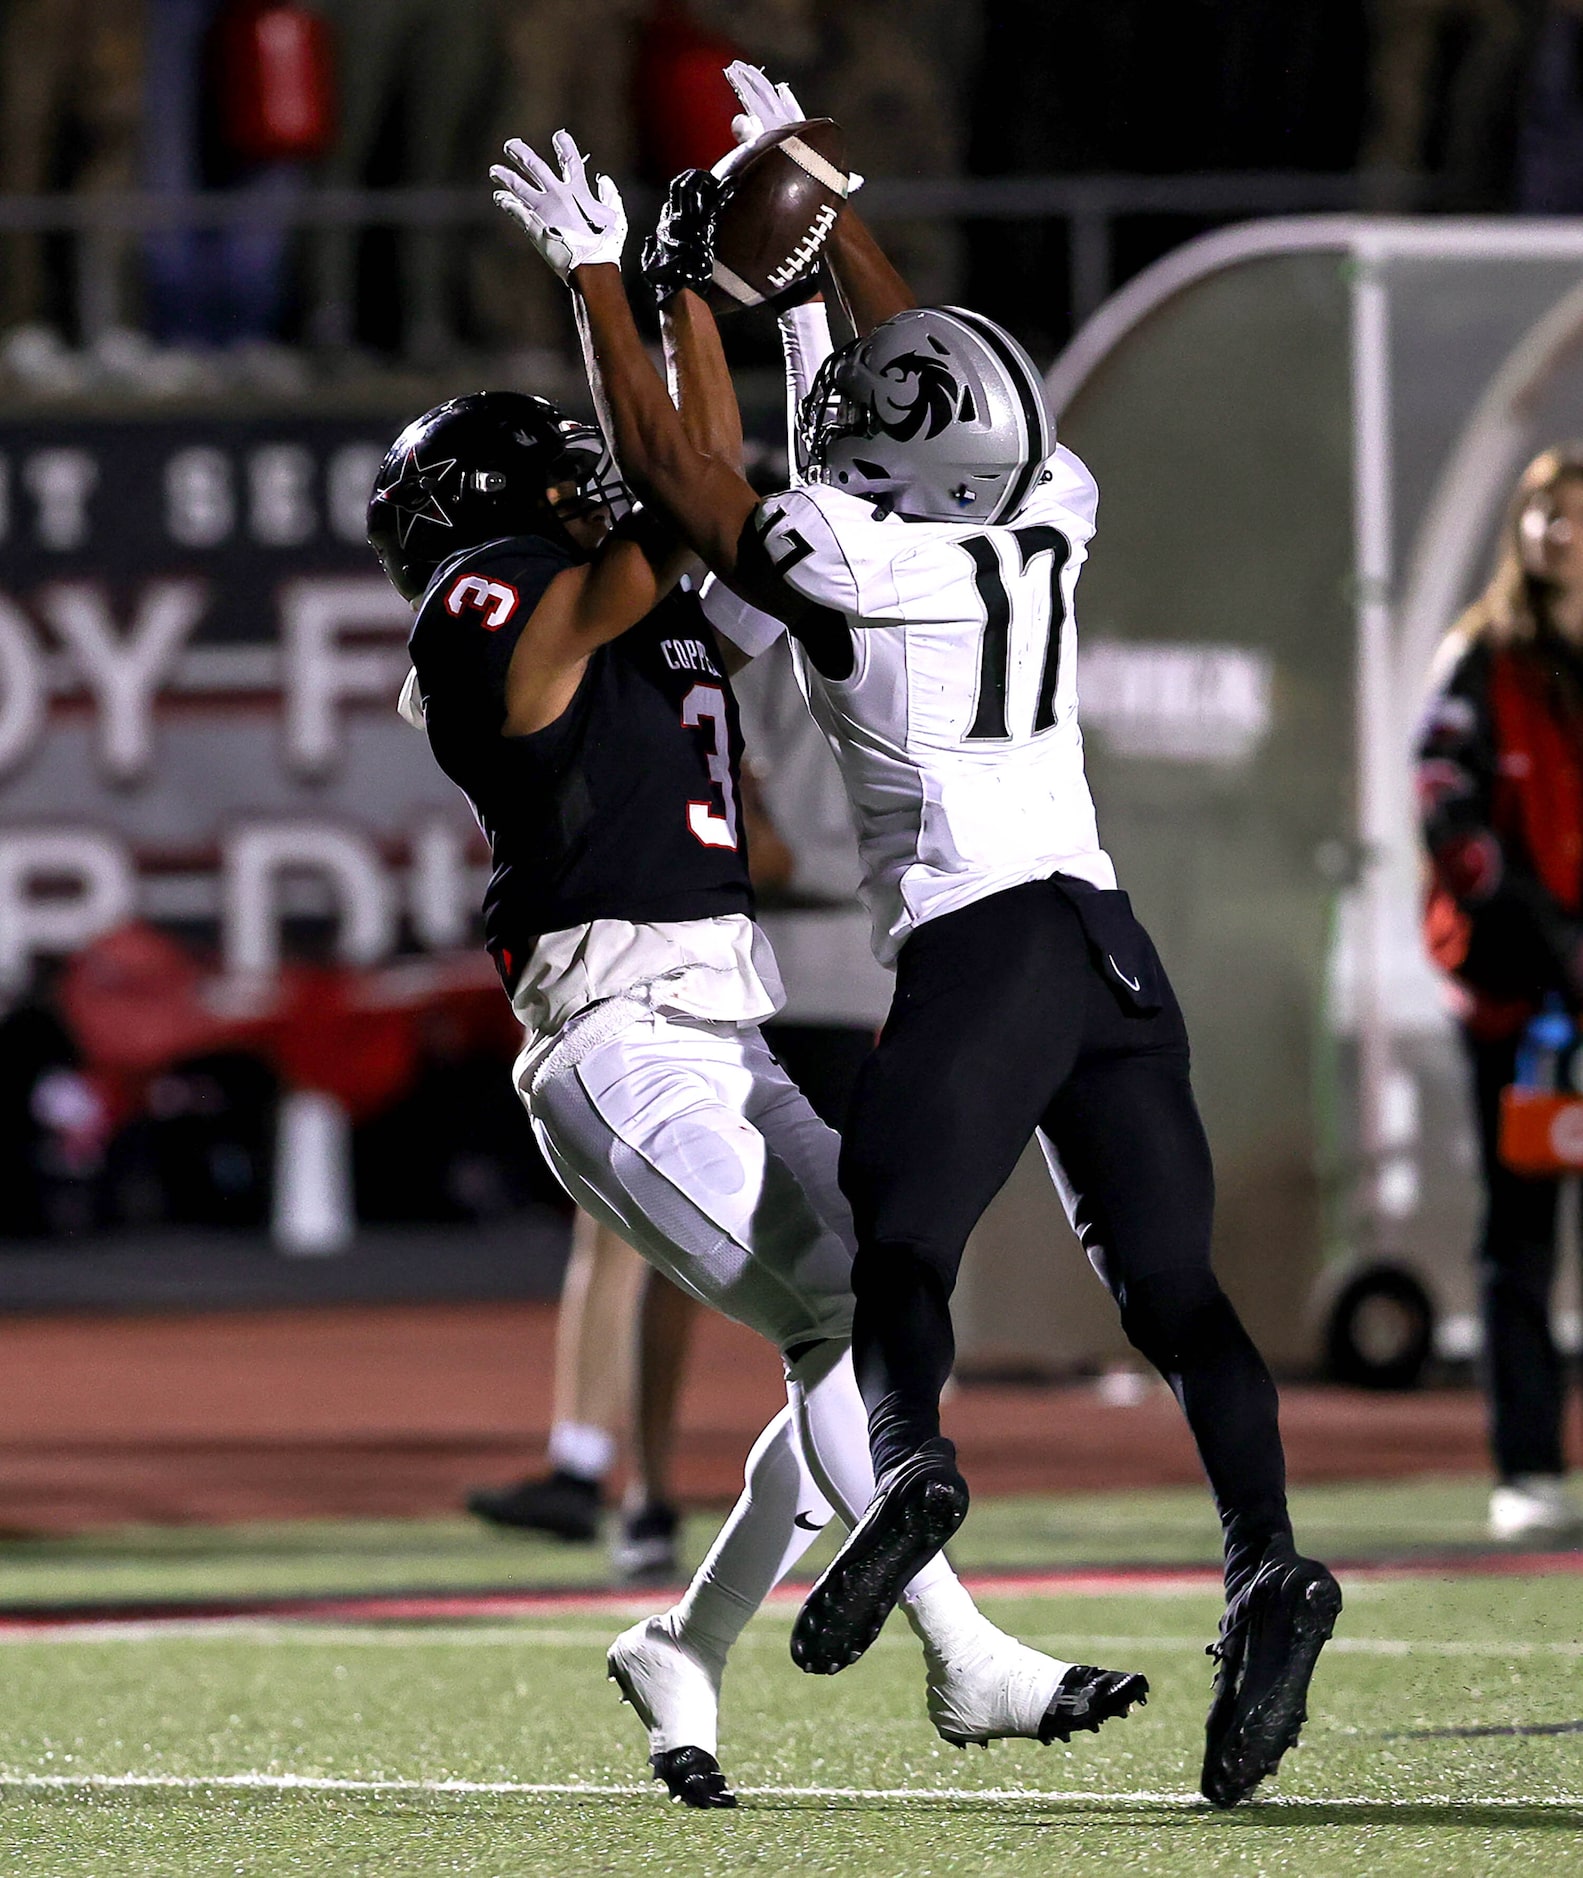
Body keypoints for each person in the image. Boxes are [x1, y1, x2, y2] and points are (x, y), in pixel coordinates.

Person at [488, 62, 1340, 1809]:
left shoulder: (851, 559)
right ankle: (1265, 1556)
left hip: (979, 951)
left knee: (891, 1268)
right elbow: (936, 367)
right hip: (1113, 946)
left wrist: (604, 282)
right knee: (1177, 1298)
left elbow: (680, 468)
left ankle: (916, 1473)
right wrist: (814, 199)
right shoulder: (1053, 509)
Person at [368, 370, 1145, 1799]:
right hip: (619, 1034)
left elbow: (740, 511)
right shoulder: (484, 595)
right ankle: (961, 1652)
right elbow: (683, 488)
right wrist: (627, 289)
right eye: (548, 470)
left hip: (713, 1027)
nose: (576, 482)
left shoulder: (621, 604)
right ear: (479, 505)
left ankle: (686, 1641)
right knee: (853, 1320)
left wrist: (744, 325)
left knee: (873, 1318)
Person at [1417, 444, 1583, 1542]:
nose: (1558, 533)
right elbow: (1445, 806)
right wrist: (1538, 938)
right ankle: (1524, 1467)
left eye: (1575, 515)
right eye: (1544, 514)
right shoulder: (1476, 661)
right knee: (1519, 1232)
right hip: (1519, 1005)